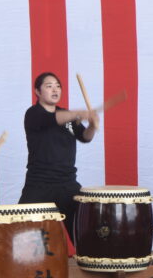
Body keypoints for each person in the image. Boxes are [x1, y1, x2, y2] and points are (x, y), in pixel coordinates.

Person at [18, 72, 98, 239]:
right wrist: (79, 113)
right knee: (22, 233)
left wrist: (92, 126)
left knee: (84, 234)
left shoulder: (67, 116)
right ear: (37, 92)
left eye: (58, 86)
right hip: (39, 184)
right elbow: (52, 119)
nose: (55, 90)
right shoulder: (33, 114)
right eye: (49, 86)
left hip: (67, 183)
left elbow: (85, 137)